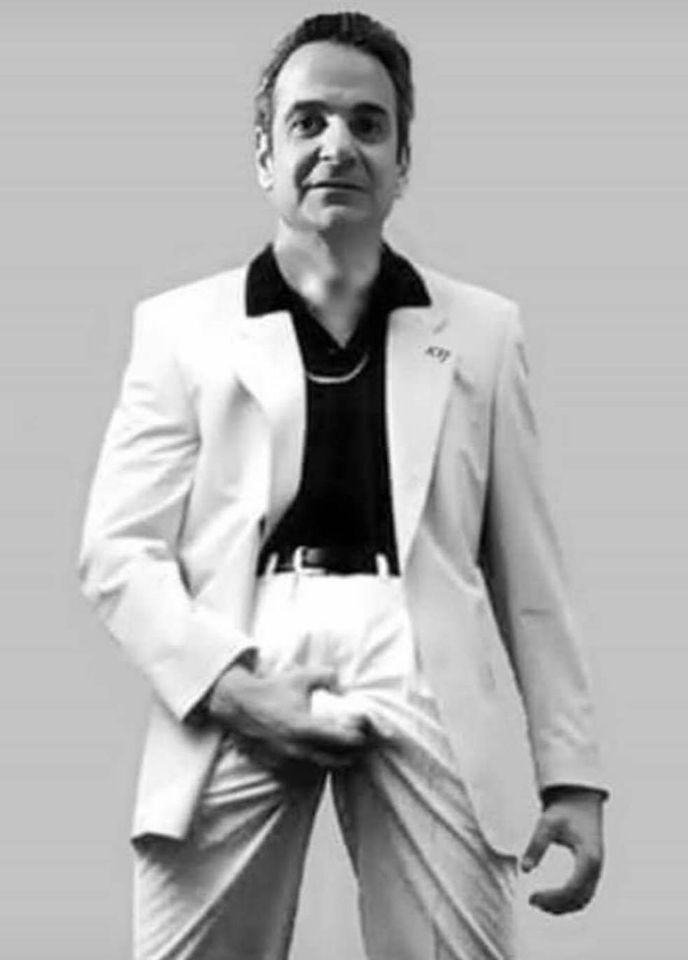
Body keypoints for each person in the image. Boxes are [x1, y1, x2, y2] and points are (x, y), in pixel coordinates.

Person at [78, 11, 609, 959]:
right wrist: (229, 688)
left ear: (403, 162)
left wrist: (570, 773)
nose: (338, 145)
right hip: (238, 649)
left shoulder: (483, 332)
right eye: (308, 121)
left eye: (368, 124)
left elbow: (530, 575)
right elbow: (117, 551)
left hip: (427, 657)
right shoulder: (179, 328)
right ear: (264, 154)